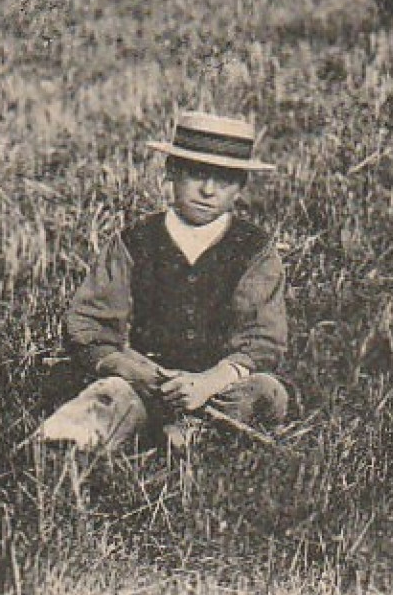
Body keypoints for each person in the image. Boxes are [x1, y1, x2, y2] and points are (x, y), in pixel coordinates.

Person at [40, 110, 289, 453]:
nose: (207, 190)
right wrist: (131, 369)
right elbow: (90, 322)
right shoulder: (136, 241)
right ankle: (72, 440)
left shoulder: (253, 250)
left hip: (216, 386)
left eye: (224, 180)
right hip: (144, 380)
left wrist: (207, 382)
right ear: (172, 171)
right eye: (196, 174)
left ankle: (191, 436)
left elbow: (262, 338)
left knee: (267, 392)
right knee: (110, 394)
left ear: (240, 188)